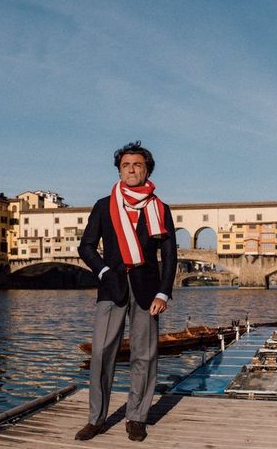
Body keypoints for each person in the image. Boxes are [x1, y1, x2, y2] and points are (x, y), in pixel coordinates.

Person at [75, 141, 177, 443]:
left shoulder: (160, 209)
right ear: (119, 170)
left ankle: (137, 417)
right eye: (126, 165)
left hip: (148, 291)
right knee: (102, 354)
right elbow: (86, 246)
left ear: (147, 170)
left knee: (144, 356)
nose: (131, 169)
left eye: (137, 165)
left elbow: (170, 255)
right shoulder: (103, 205)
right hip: (111, 288)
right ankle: (96, 419)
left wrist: (164, 293)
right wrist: (104, 271)